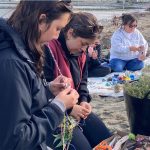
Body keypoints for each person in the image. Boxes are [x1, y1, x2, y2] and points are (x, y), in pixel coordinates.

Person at [0, 1, 80, 150]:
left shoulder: (21, 49)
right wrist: (59, 106)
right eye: (58, 28)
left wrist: (48, 90)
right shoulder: (12, 63)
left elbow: (21, 102)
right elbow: (14, 141)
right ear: (42, 21)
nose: (57, 36)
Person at [44, 12, 111, 150]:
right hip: (53, 114)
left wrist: (84, 100)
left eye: (88, 45)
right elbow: (41, 92)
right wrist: (70, 109)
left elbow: (83, 81)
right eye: (83, 43)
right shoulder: (48, 49)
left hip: (76, 106)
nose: (84, 49)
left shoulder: (81, 53)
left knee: (105, 140)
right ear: (70, 33)